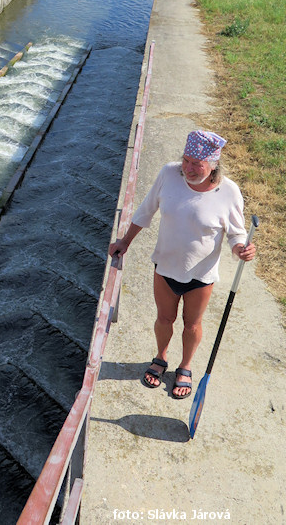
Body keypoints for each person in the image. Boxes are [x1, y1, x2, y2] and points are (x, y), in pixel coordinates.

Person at [108, 130, 256, 399]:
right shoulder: (168, 174)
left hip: (201, 274)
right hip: (165, 267)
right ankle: (161, 357)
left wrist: (240, 248)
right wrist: (125, 242)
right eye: (185, 160)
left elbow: (236, 232)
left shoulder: (229, 192)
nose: (188, 169)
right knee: (164, 319)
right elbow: (145, 211)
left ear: (213, 165)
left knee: (192, 325)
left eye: (196, 164)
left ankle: (185, 366)